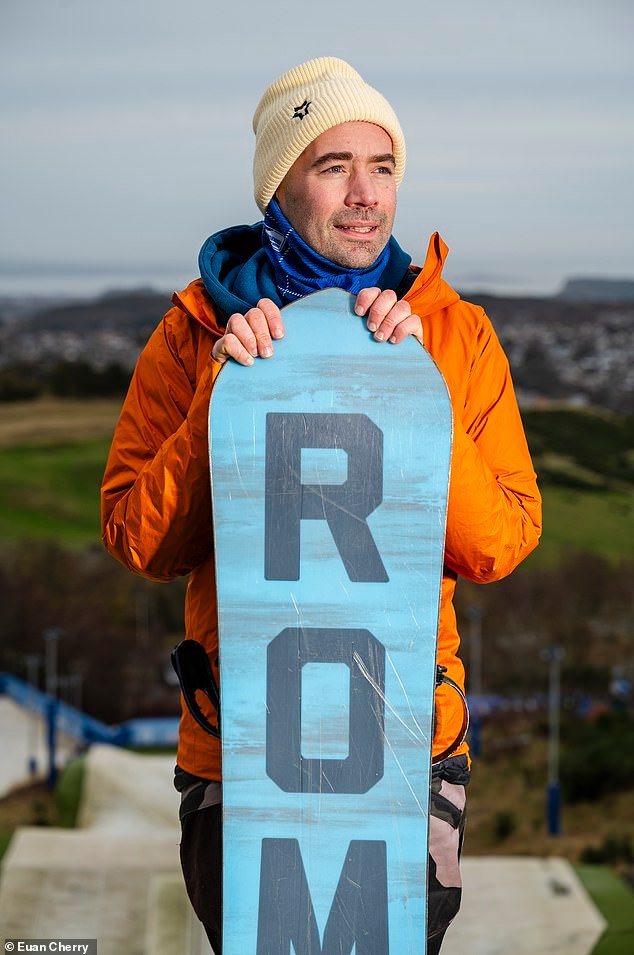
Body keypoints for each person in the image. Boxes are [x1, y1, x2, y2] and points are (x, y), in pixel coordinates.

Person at [101, 57, 541, 954]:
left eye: (382, 167)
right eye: (332, 165)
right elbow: (138, 537)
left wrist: (419, 395)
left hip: (406, 750)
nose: (365, 195)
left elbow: (500, 543)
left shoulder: (453, 332)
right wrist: (220, 394)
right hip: (242, 753)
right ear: (278, 186)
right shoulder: (194, 331)